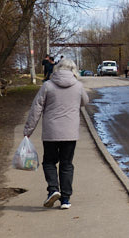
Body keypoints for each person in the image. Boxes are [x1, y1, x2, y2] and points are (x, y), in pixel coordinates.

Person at [23, 57, 88, 209]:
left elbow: (36, 109)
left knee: (49, 162)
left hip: (51, 133)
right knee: (66, 164)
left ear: (57, 69)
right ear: (74, 70)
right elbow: (85, 101)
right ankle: (65, 199)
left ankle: (53, 189)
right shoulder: (78, 86)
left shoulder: (48, 85)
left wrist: (28, 130)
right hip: (70, 133)